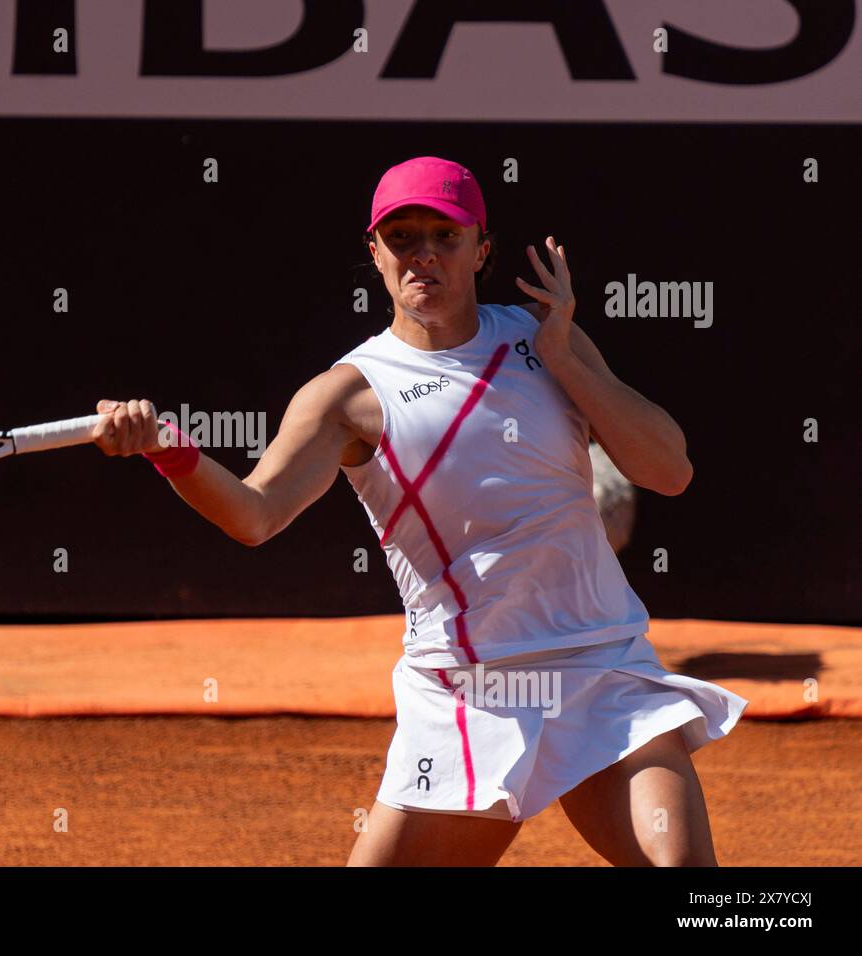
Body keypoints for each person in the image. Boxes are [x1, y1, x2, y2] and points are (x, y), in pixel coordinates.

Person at [91, 156, 746, 866]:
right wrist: (167, 450)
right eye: (402, 237)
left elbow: (669, 470)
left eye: (445, 234)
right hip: (468, 694)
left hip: (600, 667)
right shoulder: (347, 397)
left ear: (481, 249)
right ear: (374, 252)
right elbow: (255, 515)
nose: (423, 253)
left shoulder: (541, 337)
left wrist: (567, 358)